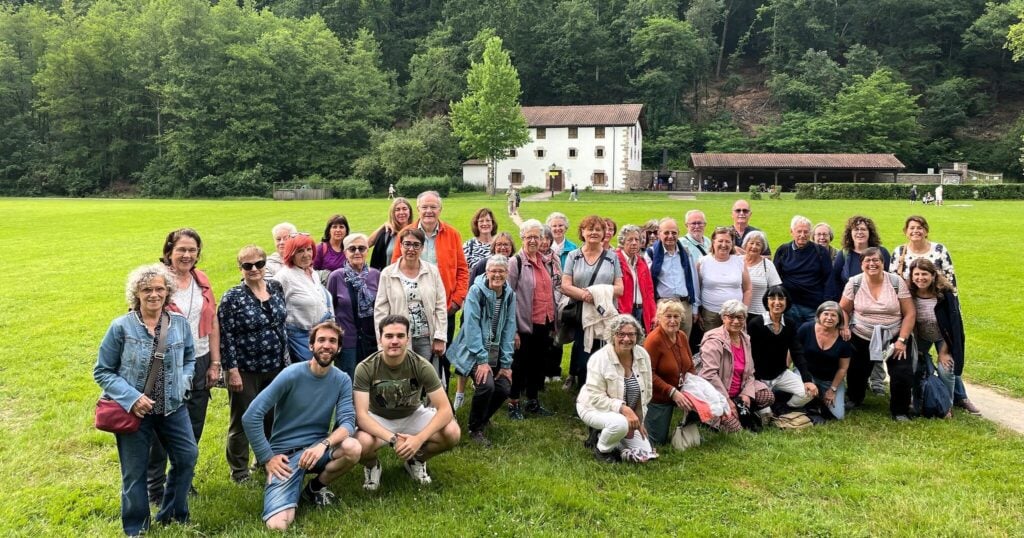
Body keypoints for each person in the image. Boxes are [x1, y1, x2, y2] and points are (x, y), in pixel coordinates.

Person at [95, 264, 197, 536]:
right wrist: (132, 398)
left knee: (187, 458)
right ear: (136, 294)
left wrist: (184, 381)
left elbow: (189, 357)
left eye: (159, 289)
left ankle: (173, 513)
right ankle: (136, 526)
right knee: (134, 472)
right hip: (135, 413)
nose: (154, 294)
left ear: (168, 292)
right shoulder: (121, 327)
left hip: (172, 407)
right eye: (147, 289)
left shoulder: (180, 324)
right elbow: (103, 371)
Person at [242, 321, 362, 530]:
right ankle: (288, 488)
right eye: (321, 340)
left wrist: (323, 444)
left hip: (318, 449)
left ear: (339, 348)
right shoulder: (292, 374)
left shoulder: (342, 379)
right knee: (278, 525)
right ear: (311, 346)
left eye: (332, 341)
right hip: (286, 457)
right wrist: (267, 458)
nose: (327, 345)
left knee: (353, 448)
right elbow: (251, 416)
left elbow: (348, 424)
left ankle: (313, 490)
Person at [150, 228, 219, 504]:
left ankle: (181, 480)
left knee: (193, 424)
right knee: (159, 427)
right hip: (165, 362)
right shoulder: (156, 280)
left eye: (192, 250)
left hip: (200, 359)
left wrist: (215, 362)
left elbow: (212, 321)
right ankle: (154, 488)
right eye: (181, 249)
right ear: (169, 251)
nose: (187, 255)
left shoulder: (201, 280)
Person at [354, 315, 461, 490]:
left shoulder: (421, 365)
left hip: (413, 414)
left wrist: (419, 439)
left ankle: (416, 461)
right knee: (359, 444)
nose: (394, 341)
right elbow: (362, 416)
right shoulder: (365, 367)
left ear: (408, 339)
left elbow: (445, 410)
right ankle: (372, 465)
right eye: (389, 336)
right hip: (379, 417)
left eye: (400, 336)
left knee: (452, 432)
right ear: (380, 339)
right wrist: (394, 440)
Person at [890, 215, 977, 414]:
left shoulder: (939, 250)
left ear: (926, 230)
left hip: (940, 314)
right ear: (905, 231)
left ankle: (956, 399)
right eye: (911, 228)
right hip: (914, 315)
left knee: (948, 362)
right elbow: (893, 282)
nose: (915, 231)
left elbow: (951, 281)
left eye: (920, 227)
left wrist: (953, 312)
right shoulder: (899, 252)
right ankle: (919, 397)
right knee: (915, 363)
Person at [218, 245, 289, 484]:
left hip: (275, 366)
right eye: (248, 266)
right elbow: (226, 335)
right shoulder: (232, 297)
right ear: (241, 268)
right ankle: (239, 471)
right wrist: (232, 370)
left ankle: (265, 459)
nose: (254, 269)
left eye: (259, 263)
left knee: (271, 417)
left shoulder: (276, 288)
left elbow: (281, 325)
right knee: (243, 419)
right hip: (246, 369)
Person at [391, 191, 470, 387]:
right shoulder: (405, 234)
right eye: (425, 207)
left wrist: (457, 301)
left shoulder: (452, 234)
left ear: (440, 209)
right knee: (410, 353)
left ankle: (440, 398)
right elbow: (394, 268)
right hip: (411, 308)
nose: (429, 211)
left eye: (433, 207)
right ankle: (413, 396)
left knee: (441, 353)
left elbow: (462, 271)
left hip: (444, 308)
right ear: (417, 209)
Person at [839, 247, 917, 421]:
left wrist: (902, 340)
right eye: (867, 261)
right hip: (862, 333)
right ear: (861, 265)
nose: (872, 264)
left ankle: (900, 410)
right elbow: (843, 308)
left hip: (894, 334)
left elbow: (910, 313)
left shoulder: (896, 282)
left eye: (876, 260)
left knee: (901, 372)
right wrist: (844, 326)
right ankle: (855, 398)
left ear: (883, 263)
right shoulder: (855, 282)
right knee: (857, 371)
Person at [450, 255, 517, 446]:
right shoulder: (476, 291)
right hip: (473, 351)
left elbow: (508, 328)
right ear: (486, 272)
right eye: (493, 271)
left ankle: (483, 418)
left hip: (494, 352)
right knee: (486, 385)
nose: (497, 274)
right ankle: (475, 428)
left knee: (504, 387)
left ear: (507, 273)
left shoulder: (509, 295)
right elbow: (471, 327)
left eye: (501, 271)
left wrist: (506, 364)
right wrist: (481, 360)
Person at [577, 315, 658, 463]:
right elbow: (595, 397)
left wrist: (640, 421)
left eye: (631, 334)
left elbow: (646, 393)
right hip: (592, 407)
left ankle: (603, 434)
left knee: (644, 453)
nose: (626, 339)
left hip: (627, 414)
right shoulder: (600, 358)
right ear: (612, 336)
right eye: (621, 334)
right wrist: (624, 409)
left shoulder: (643, 355)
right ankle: (602, 449)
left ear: (637, 336)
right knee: (620, 424)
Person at [643, 300, 724, 446]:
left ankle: (688, 425)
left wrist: (693, 391)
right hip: (659, 396)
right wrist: (673, 392)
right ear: (659, 317)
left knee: (706, 399)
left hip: (682, 388)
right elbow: (648, 374)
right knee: (656, 442)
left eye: (676, 316)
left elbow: (690, 367)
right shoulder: (653, 340)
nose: (673, 321)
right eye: (668, 316)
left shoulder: (681, 336)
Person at [561, 215, 624, 391]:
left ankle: (604, 393)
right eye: (590, 229)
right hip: (582, 314)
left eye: (598, 229)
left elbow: (620, 288)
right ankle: (584, 394)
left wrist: (596, 294)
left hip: (605, 315)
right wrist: (584, 295)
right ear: (582, 232)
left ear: (604, 233)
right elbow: (565, 285)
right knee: (583, 354)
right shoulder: (574, 256)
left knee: (604, 354)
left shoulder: (612, 257)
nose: (594, 232)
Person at [507, 220, 560, 419]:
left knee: (537, 364)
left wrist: (553, 322)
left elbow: (551, 291)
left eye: (536, 237)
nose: (533, 241)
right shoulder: (515, 263)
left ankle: (533, 401)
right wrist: (513, 330)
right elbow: (508, 297)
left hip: (543, 322)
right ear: (522, 238)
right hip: (524, 325)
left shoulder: (545, 261)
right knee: (519, 365)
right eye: (529, 237)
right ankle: (513, 404)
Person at [698, 300, 775, 433]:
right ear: (723, 318)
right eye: (731, 317)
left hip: (738, 392)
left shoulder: (745, 339)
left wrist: (746, 394)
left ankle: (741, 411)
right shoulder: (714, 341)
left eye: (740, 317)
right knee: (737, 431)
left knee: (767, 396)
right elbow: (709, 375)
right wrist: (726, 400)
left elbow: (750, 372)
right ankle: (711, 418)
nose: (736, 321)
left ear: (745, 319)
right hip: (719, 395)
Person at [375, 226, 448, 364]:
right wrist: (383, 341)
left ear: (422, 248)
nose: (411, 249)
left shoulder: (432, 271)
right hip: (398, 338)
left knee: (428, 378)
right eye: (407, 244)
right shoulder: (388, 273)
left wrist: (440, 337)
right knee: (402, 378)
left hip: (426, 337)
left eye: (416, 245)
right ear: (400, 246)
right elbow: (380, 311)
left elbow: (440, 306)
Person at [909, 258, 965, 417]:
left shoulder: (944, 294)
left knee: (945, 369)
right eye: (917, 274)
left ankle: (946, 405)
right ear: (912, 276)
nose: (920, 278)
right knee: (914, 366)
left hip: (943, 337)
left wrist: (944, 352)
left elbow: (953, 325)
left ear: (933, 275)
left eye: (925, 274)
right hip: (921, 336)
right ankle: (916, 399)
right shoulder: (910, 294)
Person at [746, 286, 814, 411]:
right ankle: (770, 404)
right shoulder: (755, 323)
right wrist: (755, 380)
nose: (777, 302)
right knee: (764, 414)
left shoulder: (790, 323)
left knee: (809, 392)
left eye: (781, 298)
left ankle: (783, 407)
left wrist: (807, 379)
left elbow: (797, 352)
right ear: (766, 301)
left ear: (786, 302)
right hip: (760, 377)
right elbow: (750, 355)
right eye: (772, 298)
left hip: (781, 374)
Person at [272, 233, 333, 364]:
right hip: (299, 339)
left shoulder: (313, 273)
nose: (306, 254)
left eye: (309, 249)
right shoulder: (283, 277)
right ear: (291, 254)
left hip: (319, 335)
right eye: (300, 251)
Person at [326, 233, 381, 379]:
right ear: (345, 253)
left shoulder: (376, 275)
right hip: (347, 341)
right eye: (352, 249)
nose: (357, 252)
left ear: (367, 251)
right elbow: (330, 309)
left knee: (371, 379)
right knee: (348, 381)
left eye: (362, 248)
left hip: (371, 339)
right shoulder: (336, 277)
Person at [797, 302, 852, 420]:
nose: (829, 318)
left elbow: (843, 368)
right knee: (798, 398)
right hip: (807, 374)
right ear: (819, 315)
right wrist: (786, 371)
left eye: (833, 315)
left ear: (839, 320)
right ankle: (813, 401)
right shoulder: (806, 328)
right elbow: (793, 352)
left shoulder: (844, 338)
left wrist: (832, 390)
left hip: (830, 380)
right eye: (826, 314)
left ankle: (819, 397)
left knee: (838, 415)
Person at [773, 215, 832, 325]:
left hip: (813, 307)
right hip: (790, 306)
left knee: (812, 338)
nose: (802, 235)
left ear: (810, 233)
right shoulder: (783, 251)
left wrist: (825, 304)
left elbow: (829, 279)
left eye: (806, 232)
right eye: (799, 231)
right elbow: (775, 278)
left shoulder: (820, 252)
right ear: (792, 232)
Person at [648, 217, 698, 337]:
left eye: (674, 233)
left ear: (678, 234)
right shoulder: (652, 253)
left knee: (683, 342)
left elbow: (694, 280)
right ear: (659, 234)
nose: (670, 236)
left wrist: (695, 308)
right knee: (664, 343)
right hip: (663, 305)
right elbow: (648, 285)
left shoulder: (685, 253)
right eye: (666, 232)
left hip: (685, 305)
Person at [826, 215, 892, 303]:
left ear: (869, 233)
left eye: (863, 229)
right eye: (856, 229)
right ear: (850, 233)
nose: (859, 232)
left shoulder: (882, 253)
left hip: (878, 303)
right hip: (851, 304)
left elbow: (890, 278)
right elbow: (835, 281)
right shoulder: (843, 255)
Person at [697, 227, 751, 331]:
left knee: (735, 344)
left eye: (727, 241)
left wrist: (743, 312)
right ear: (713, 242)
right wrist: (698, 311)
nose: (724, 245)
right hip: (711, 314)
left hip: (735, 314)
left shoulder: (739, 261)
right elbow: (696, 289)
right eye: (720, 241)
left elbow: (748, 289)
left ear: (732, 244)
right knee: (713, 345)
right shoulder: (703, 262)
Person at [616, 225, 656, 332]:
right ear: (622, 242)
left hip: (642, 311)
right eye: (630, 239)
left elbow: (649, 291)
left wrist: (653, 314)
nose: (634, 243)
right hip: (623, 311)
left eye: (637, 240)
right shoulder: (615, 260)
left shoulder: (641, 262)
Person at [742, 231, 782, 318]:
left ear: (762, 248)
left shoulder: (767, 265)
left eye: (758, 244)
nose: (754, 246)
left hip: (759, 313)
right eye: (751, 243)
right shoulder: (737, 261)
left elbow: (776, 289)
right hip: (737, 312)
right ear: (745, 245)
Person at [369, 197, 414, 271]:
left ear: (410, 211)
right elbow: (367, 244)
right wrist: (383, 226)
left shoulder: (416, 232)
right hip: (389, 279)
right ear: (393, 213)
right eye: (397, 209)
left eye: (404, 209)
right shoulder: (387, 233)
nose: (401, 212)